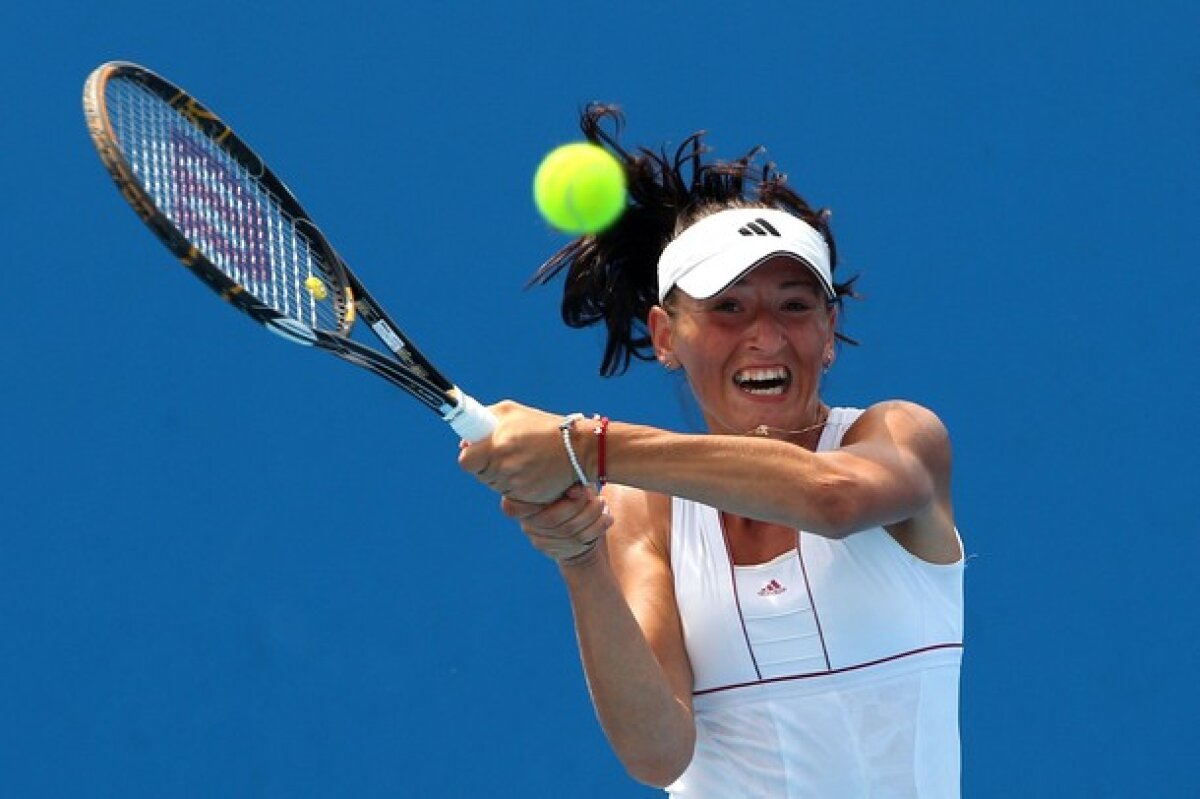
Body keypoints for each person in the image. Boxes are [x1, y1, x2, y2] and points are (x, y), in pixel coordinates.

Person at [458, 105, 964, 797]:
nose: (766, 336)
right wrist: (581, 559)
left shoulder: (902, 434)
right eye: (728, 307)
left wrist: (587, 445)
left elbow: (832, 497)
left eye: (794, 306)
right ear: (666, 335)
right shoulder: (646, 509)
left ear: (828, 331)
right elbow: (658, 754)